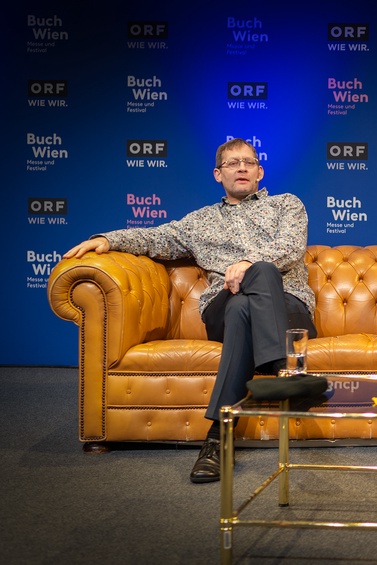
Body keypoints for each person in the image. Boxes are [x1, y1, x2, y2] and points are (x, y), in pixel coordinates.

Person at [64, 138, 316, 484]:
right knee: (238, 304)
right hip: (222, 309)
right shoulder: (199, 222)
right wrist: (108, 240)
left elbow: (290, 246)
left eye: (248, 162)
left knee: (258, 281)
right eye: (232, 163)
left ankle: (216, 440)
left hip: (286, 307)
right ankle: (283, 371)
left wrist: (247, 264)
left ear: (260, 171)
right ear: (217, 174)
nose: (241, 168)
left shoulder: (286, 205)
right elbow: (155, 238)